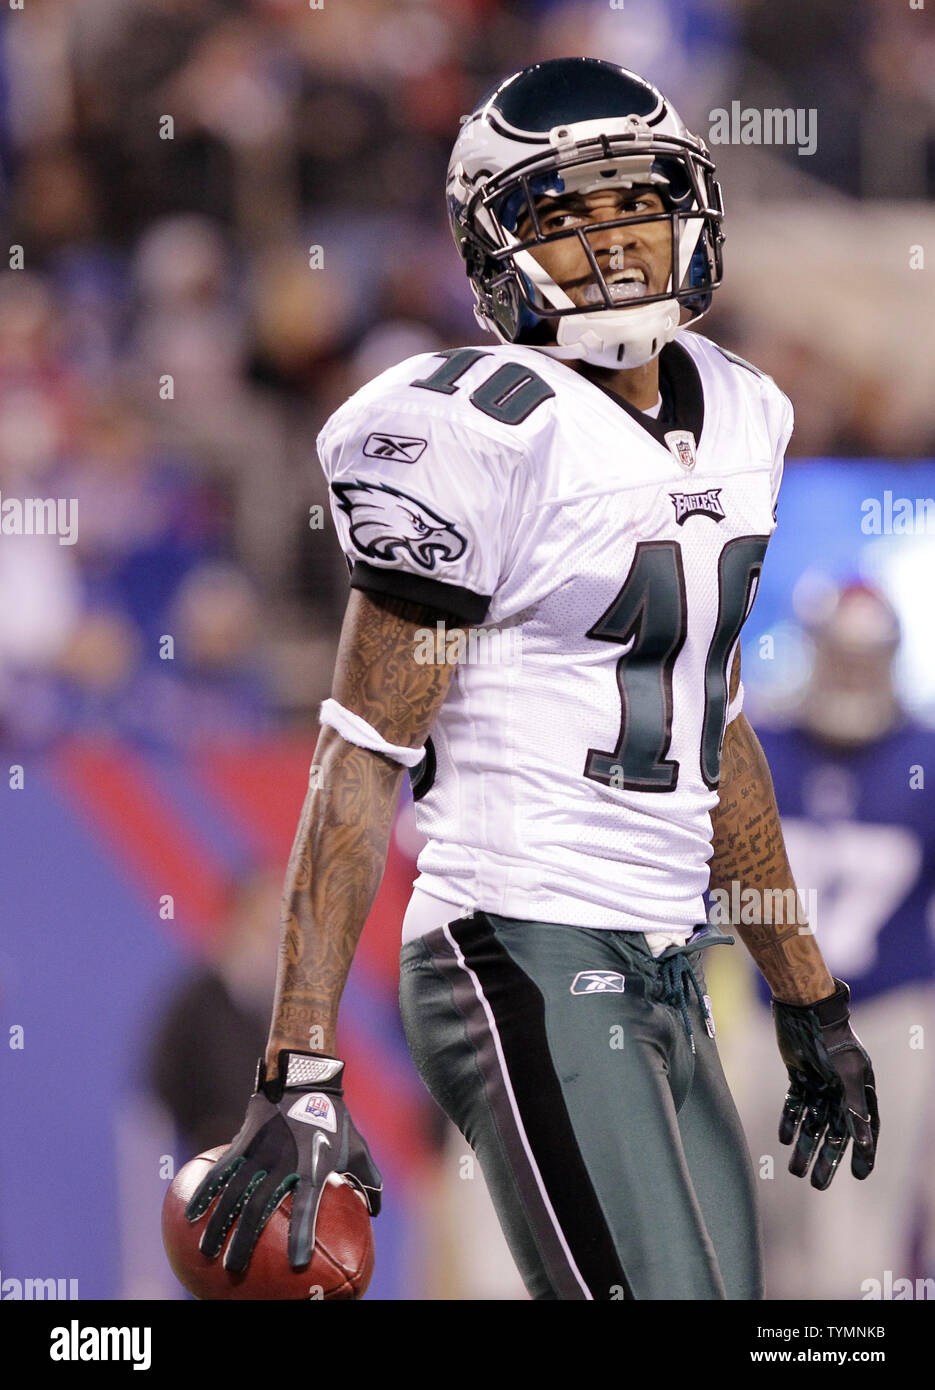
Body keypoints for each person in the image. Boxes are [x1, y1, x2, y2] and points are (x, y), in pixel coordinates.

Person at [184, 57, 879, 1301]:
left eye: (630, 202)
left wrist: (807, 993)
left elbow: (710, 733)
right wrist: (297, 1064)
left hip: (670, 958)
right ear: (495, 248)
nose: (609, 242)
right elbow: (358, 755)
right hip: (518, 944)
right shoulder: (470, 426)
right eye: (560, 215)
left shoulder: (744, 412)